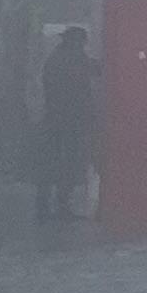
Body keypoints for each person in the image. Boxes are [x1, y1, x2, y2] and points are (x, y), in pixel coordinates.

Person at [37, 24, 95, 222]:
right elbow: (85, 77)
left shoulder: (57, 58)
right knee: (66, 162)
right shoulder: (71, 60)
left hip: (55, 119)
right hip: (67, 120)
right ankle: (60, 205)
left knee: (51, 163)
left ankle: (44, 205)